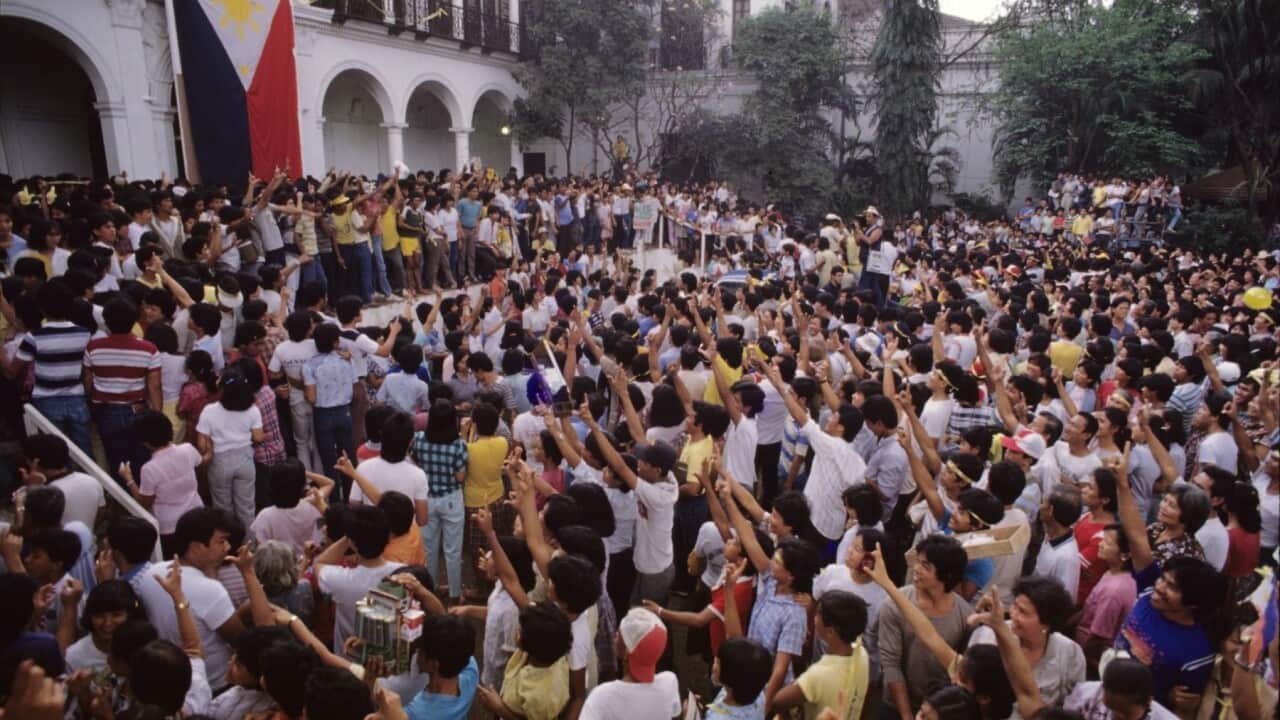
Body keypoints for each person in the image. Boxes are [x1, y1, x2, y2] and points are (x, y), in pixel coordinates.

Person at [771, 590, 871, 720]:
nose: (814, 617)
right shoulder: (862, 655)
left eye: (818, 614)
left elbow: (778, 702)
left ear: (830, 632)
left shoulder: (818, 675)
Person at [579, 607, 681, 720]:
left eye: (620, 634)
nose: (616, 634)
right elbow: (674, 713)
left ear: (627, 652)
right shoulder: (669, 683)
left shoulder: (601, 697)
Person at [196, 368, 264, 529]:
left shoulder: (209, 411)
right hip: (245, 460)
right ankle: (249, 546)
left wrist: (211, 449)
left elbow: (202, 444)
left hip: (220, 462)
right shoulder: (253, 410)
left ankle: (228, 546)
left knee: (222, 510)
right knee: (247, 508)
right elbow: (258, 437)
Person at [403, 614, 479, 720]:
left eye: (421, 651)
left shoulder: (416, 712)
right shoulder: (471, 672)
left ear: (434, 664)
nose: (417, 653)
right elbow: (456, 638)